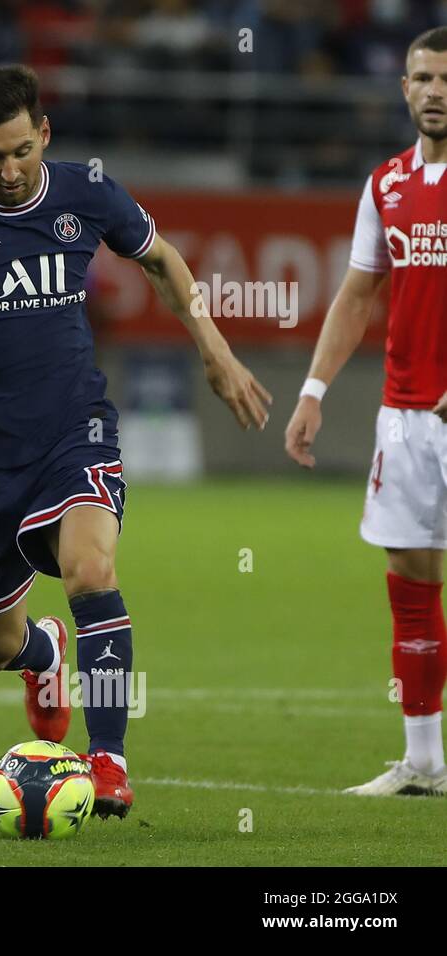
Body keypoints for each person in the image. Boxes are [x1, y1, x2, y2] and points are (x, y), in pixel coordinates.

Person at [0, 64, 271, 819]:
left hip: (76, 430)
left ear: (44, 135)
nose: (8, 172)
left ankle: (108, 762)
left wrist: (215, 349)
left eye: (21, 153)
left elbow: (161, 258)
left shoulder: (84, 192)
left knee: (92, 572)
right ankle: (44, 654)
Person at [285, 27, 447, 797]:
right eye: (422, 77)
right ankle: (423, 761)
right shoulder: (386, 185)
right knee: (410, 585)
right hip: (407, 420)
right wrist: (313, 392)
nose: (435, 90)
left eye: (446, 78)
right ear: (404, 88)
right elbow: (357, 295)